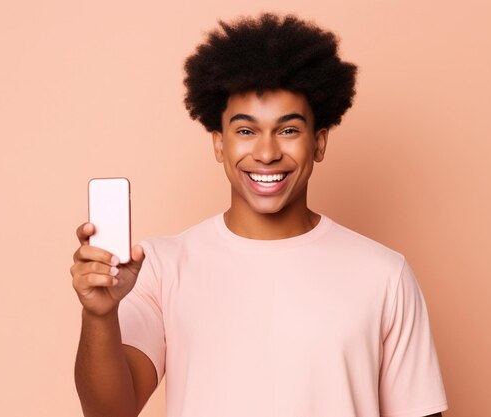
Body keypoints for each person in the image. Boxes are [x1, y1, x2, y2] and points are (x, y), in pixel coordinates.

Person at [70, 13, 448, 417]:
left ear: (319, 143)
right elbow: (110, 412)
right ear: (219, 144)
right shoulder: (160, 267)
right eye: (246, 131)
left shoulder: (384, 274)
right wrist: (99, 314)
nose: (266, 153)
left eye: (288, 130)